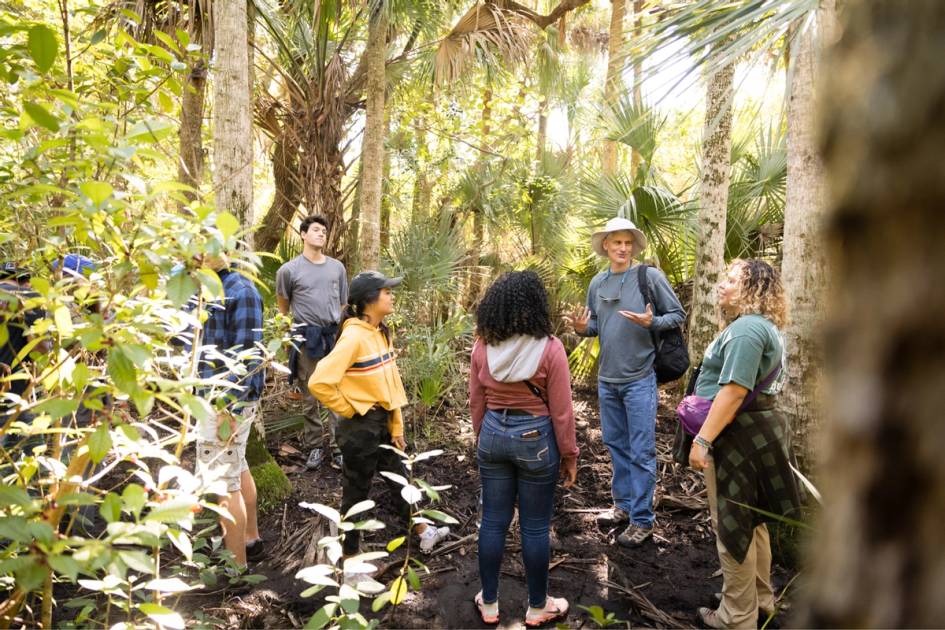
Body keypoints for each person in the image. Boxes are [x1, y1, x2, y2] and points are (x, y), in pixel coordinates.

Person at [309, 271, 449, 587]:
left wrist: (396, 425)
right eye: (387, 292)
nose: (392, 296)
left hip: (382, 423)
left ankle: (423, 531)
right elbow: (319, 382)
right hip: (360, 428)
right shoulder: (353, 336)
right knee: (356, 491)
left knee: (399, 475)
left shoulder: (379, 333)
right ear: (369, 300)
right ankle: (351, 564)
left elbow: (391, 384)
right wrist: (352, 408)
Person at [687, 259, 801, 629]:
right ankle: (758, 599)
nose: (723, 284)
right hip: (755, 433)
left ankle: (736, 617)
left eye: (733, 280)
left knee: (733, 522)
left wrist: (703, 439)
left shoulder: (748, 330)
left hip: (738, 437)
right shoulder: (758, 326)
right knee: (753, 522)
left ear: (755, 289)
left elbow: (734, 392)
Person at [565, 216, 685, 546]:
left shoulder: (649, 277)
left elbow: (677, 315)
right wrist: (579, 329)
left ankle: (643, 519)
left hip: (639, 379)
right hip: (607, 380)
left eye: (628, 243)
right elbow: (595, 327)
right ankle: (623, 506)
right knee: (616, 445)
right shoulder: (597, 283)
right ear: (605, 245)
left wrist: (652, 321)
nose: (623, 248)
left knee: (641, 450)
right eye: (616, 242)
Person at [469, 271, 578, 627]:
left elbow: (476, 401)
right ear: (536, 305)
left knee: (493, 521)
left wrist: (482, 437)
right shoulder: (551, 348)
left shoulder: (482, 346)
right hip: (536, 438)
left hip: (493, 434)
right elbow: (561, 411)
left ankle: (488, 603)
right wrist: (569, 454)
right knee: (534, 527)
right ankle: (536, 607)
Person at [193, 254, 266, 567]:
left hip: (227, 404)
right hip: (211, 398)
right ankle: (250, 538)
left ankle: (237, 571)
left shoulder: (241, 291)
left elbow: (247, 358)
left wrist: (227, 409)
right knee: (237, 468)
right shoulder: (208, 289)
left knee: (224, 484)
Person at [276, 214, 347, 470]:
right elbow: (282, 307)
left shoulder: (337, 268)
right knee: (310, 394)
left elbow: (342, 301)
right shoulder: (289, 270)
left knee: (336, 391)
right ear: (303, 234)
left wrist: (336, 327)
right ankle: (315, 446)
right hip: (306, 339)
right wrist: (287, 339)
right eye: (316, 230)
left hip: (332, 337)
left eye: (324, 231)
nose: (321, 234)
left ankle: (339, 448)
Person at [0, 263, 42, 449]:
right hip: (16, 394)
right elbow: (41, 350)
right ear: (27, 282)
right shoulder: (30, 298)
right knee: (25, 453)